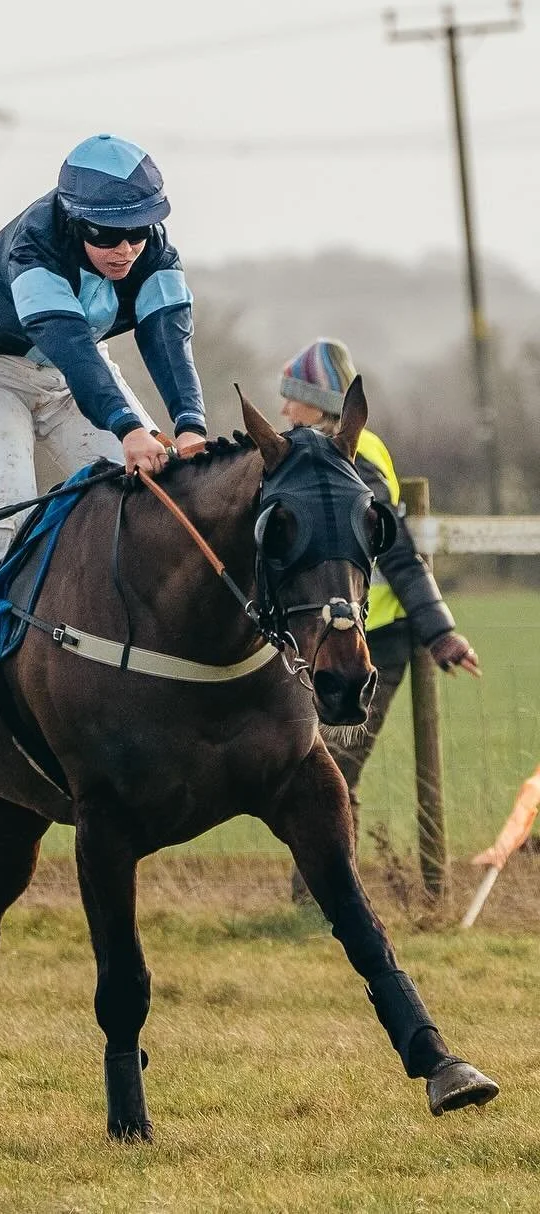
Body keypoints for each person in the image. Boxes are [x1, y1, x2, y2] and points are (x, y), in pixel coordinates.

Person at [0, 134, 209, 726]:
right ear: (74, 218)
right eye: (106, 235)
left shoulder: (154, 252)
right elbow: (72, 345)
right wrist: (127, 426)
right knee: (3, 516)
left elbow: (166, 339)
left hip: (70, 377)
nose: (124, 249)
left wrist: (189, 424)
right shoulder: (35, 243)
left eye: (137, 231)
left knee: (164, 486)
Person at [277, 338, 481, 897]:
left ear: (318, 404)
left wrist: (441, 636)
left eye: (291, 399)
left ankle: (325, 899)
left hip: (374, 644)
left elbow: (399, 556)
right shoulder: (315, 457)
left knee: (336, 770)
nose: (283, 411)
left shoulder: (351, 464)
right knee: (320, 772)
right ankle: (320, 898)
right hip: (330, 640)